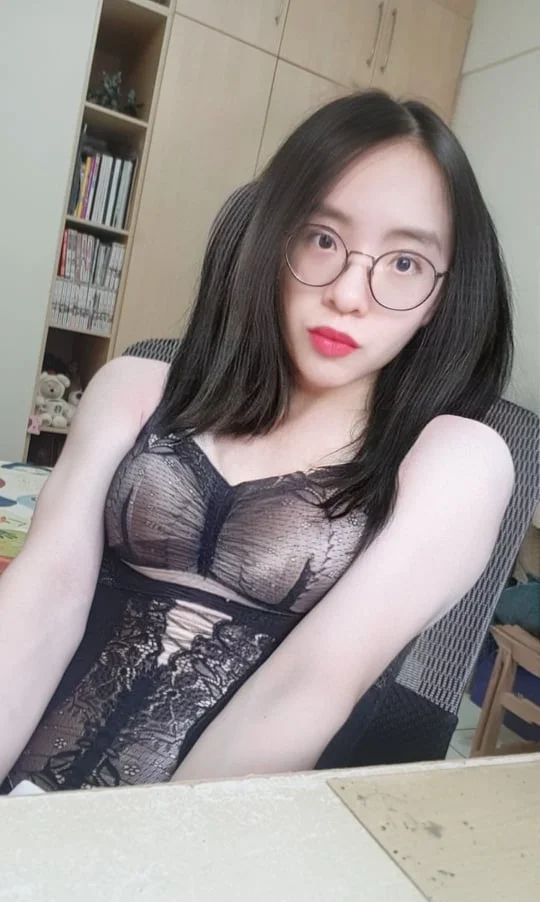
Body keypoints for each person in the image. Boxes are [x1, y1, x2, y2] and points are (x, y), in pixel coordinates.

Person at [0, 90, 514, 792]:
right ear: (275, 237)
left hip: (201, 833)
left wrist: (135, 854)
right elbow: (44, 595)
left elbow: (309, 686)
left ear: (439, 297)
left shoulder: (455, 460)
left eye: (404, 263)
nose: (349, 294)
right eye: (323, 238)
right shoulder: (134, 387)